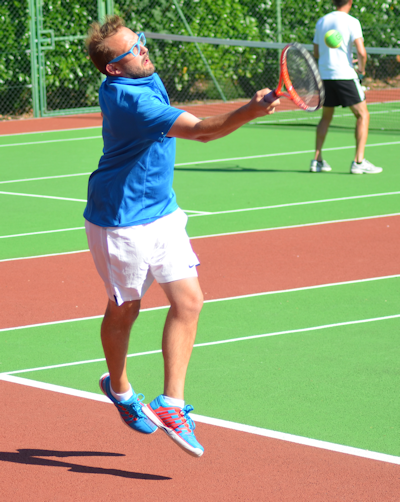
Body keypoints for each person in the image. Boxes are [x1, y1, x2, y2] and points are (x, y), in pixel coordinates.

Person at [84, 15, 279, 458]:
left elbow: (190, 119)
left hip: (162, 211)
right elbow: (202, 133)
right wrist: (251, 109)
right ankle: (118, 388)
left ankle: (171, 404)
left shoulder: (144, 75)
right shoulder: (128, 100)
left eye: (141, 42)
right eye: (133, 49)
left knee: (190, 301)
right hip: (120, 221)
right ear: (114, 67)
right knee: (125, 310)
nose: (143, 50)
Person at [311, 0, 382, 174]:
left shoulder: (322, 21)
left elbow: (317, 52)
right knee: (363, 115)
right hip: (345, 76)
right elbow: (362, 52)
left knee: (326, 117)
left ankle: (316, 160)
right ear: (350, 2)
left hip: (325, 76)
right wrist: (361, 70)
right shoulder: (352, 22)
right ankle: (358, 162)